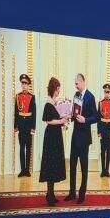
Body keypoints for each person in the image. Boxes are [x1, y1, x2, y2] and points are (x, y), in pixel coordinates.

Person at [39, 77, 68, 207]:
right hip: (51, 136)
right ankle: (49, 195)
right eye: (58, 88)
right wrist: (61, 121)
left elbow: (57, 116)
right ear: (55, 88)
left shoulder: (54, 102)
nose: (59, 90)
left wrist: (64, 119)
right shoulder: (48, 103)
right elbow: (47, 120)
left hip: (56, 136)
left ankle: (51, 194)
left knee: (54, 165)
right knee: (50, 165)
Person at [67, 74, 96, 203]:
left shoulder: (91, 97)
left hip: (84, 138)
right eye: (75, 84)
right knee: (72, 166)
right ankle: (72, 193)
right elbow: (74, 113)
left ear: (82, 82)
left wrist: (86, 120)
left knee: (84, 168)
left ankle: (82, 193)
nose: (75, 86)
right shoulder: (76, 95)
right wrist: (68, 113)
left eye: (76, 83)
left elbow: (96, 117)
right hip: (75, 137)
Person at [98, 83, 110, 177]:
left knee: (108, 151)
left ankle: (107, 170)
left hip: (109, 129)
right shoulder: (100, 103)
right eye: (105, 92)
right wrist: (99, 131)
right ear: (104, 92)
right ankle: (103, 170)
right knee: (102, 150)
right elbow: (98, 118)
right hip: (102, 129)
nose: (106, 94)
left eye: (108, 92)